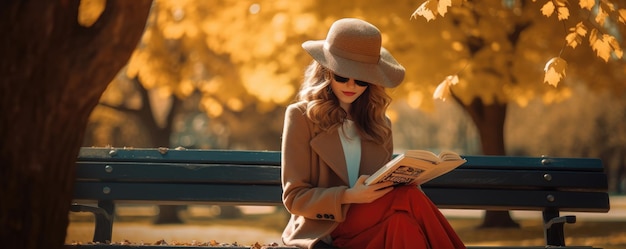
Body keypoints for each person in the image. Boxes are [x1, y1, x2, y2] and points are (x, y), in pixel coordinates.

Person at [280, 18, 466, 249]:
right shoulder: (301, 116)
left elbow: (384, 184)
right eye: (341, 76)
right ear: (326, 71)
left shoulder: (380, 123)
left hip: (372, 222)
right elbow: (295, 198)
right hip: (326, 228)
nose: (351, 85)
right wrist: (349, 196)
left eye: (361, 79)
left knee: (403, 223)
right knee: (410, 198)